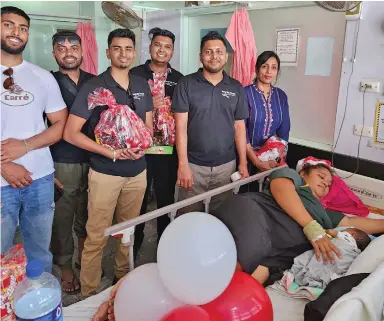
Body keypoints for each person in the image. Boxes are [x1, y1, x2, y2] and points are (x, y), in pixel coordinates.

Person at [63, 28, 153, 298]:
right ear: (107, 52)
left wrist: (142, 146)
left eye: (128, 49)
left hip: (137, 173)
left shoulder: (140, 84)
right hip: (105, 174)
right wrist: (109, 152)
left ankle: (121, 282)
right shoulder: (95, 87)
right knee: (97, 236)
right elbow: (70, 133)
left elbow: (147, 126)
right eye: (117, 48)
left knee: (128, 232)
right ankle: (89, 295)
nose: (123, 53)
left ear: (134, 53)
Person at [212, 157, 384, 285]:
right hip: (255, 212)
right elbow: (280, 186)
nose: (326, 183)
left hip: (273, 250)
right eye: (321, 176)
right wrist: (311, 227)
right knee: (254, 250)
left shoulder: (325, 215)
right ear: (303, 173)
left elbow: (355, 222)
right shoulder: (295, 179)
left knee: (255, 278)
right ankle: (208, 281)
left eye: (329, 184)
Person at [0, 6, 68, 273]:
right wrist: (3, 164)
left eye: (23, 28)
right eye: (8, 25)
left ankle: (38, 304)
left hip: (40, 179)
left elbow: (60, 124)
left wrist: (26, 146)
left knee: (40, 251)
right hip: (1, 183)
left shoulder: (43, 77)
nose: (16, 32)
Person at [172, 31, 249, 215]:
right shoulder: (186, 84)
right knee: (188, 216)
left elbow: (239, 127)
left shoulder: (236, 87)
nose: (214, 56)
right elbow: (180, 127)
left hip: (226, 166)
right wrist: (183, 165)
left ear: (226, 56)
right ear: (201, 56)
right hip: (194, 166)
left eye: (219, 51)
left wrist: (243, 163)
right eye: (208, 52)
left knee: (221, 216)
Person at [49, 30, 95, 294]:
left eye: (74, 47)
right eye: (62, 48)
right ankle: (65, 265)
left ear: (82, 50)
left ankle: (84, 257)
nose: (68, 52)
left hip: (93, 158)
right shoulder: (48, 81)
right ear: (54, 53)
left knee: (88, 213)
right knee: (63, 215)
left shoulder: (95, 81)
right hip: (61, 160)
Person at [130, 27, 183, 256]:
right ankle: (133, 247)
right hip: (139, 150)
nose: (162, 50)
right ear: (150, 47)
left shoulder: (179, 79)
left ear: (172, 52)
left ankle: (166, 248)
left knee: (165, 200)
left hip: (167, 151)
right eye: (158, 45)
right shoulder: (135, 74)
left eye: (167, 47)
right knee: (137, 202)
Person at [243, 51, 290, 191]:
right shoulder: (245, 93)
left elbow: (284, 129)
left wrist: (276, 158)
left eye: (274, 67)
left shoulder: (281, 96)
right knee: (247, 196)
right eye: (265, 66)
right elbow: (241, 130)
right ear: (257, 68)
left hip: (273, 157)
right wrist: (257, 162)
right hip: (247, 158)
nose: (269, 71)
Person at [291, 228, 371, 289]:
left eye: (344, 230)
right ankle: (322, 279)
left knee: (319, 257)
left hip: (339, 253)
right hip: (343, 261)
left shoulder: (347, 237)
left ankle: (310, 273)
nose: (342, 231)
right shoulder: (356, 252)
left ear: (353, 234)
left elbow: (330, 232)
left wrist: (326, 232)